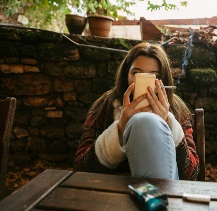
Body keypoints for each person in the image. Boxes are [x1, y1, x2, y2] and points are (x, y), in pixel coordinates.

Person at [74, 42, 199, 180]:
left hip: (168, 189)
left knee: (145, 121)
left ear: (163, 79)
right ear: (125, 75)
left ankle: (152, 197)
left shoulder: (177, 108)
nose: (144, 81)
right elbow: (81, 167)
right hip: (112, 192)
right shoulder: (105, 105)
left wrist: (167, 123)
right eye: (136, 73)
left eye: (154, 75)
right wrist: (120, 129)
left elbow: (192, 174)